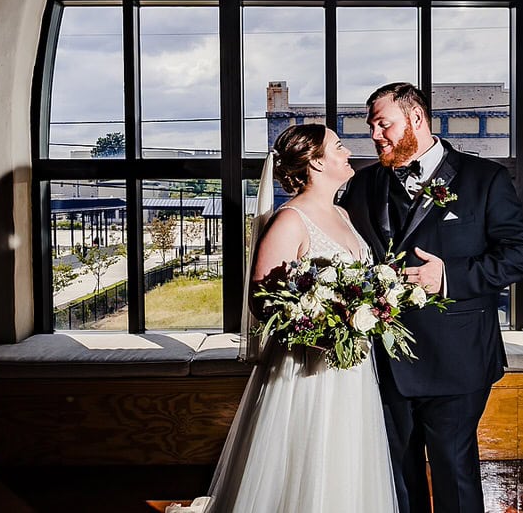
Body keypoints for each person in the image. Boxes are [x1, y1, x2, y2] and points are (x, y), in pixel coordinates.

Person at [169, 123, 398, 513]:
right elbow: (261, 298)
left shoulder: (342, 213)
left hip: (351, 367)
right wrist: (316, 327)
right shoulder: (290, 219)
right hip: (304, 365)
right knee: (303, 461)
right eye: (338, 146)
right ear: (316, 162)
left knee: (346, 457)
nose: (347, 153)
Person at [340, 82, 523, 513]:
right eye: (371, 126)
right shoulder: (364, 185)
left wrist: (448, 276)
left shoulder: (485, 179)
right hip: (384, 358)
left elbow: (522, 255)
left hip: (459, 356)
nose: (375, 135)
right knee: (397, 471)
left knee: (454, 468)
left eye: (383, 124)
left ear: (416, 118)